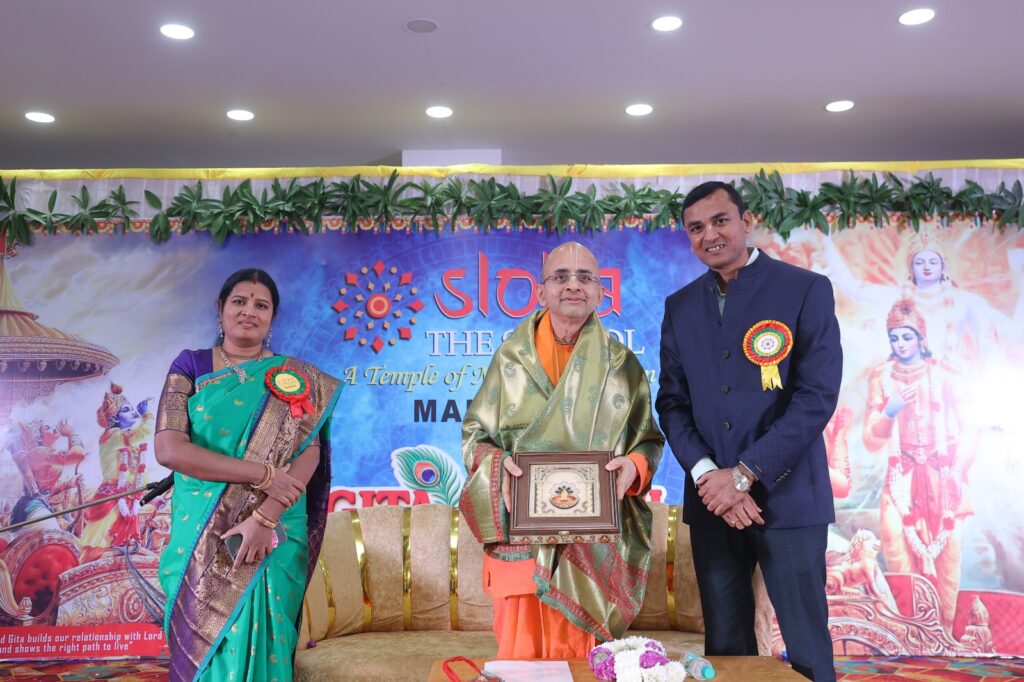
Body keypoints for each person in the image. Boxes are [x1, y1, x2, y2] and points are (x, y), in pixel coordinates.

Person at [656, 181, 842, 681]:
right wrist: (708, 476)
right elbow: (672, 403)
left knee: (807, 647)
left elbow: (816, 396)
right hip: (713, 505)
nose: (709, 235)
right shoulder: (679, 306)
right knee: (725, 649)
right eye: (696, 227)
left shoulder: (805, 289)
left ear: (746, 221)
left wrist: (744, 474)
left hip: (790, 499)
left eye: (720, 220)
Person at [458, 242, 664, 658]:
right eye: (561, 277)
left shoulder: (621, 365)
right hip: (521, 538)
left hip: (589, 544)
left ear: (601, 292)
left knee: (583, 663)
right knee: (520, 659)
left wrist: (633, 466)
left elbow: (648, 439)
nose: (573, 285)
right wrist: (499, 464)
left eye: (585, 277)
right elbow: (474, 437)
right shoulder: (510, 359)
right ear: (541, 292)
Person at [154, 268, 341, 682]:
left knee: (266, 639)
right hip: (201, 528)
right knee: (206, 645)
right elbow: (169, 449)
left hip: (274, 527)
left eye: (261, 305)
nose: (249, 311)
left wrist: (264, 518)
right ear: (220, 308)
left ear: (273, 317)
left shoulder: (295, 377)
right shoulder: (190, 366)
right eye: (239, 302)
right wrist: (262, 474)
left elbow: (308, 453)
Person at [863, 299, 969, 630]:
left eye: (907, 337)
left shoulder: (945, 374)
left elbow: (971, 428)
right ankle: (910, 631)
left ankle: (944, 634)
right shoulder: (881, 377)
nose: (901, 344)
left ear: (921, 338)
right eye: (894, 338)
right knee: (896, 548)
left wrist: (957, 472)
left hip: (943, 475)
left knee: (948, 556)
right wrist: (889, 411)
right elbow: (870, 438)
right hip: (901, 478)